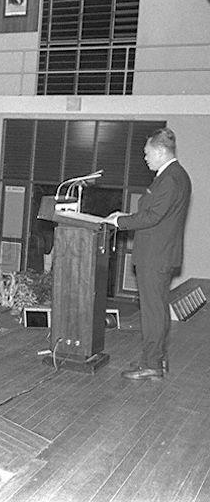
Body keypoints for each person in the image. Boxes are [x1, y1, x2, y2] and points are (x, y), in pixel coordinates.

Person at [103, 128, 192, 380]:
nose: (145, 158)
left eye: (147, 153)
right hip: (160, 255)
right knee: (158, 310)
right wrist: (123, 217)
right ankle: (156, 360)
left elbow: (152, 217)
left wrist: (119, 222)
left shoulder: (171, 178)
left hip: (155, 256)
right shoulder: (174, 176)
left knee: (153, 312)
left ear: (161, 151)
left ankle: (152, 363)